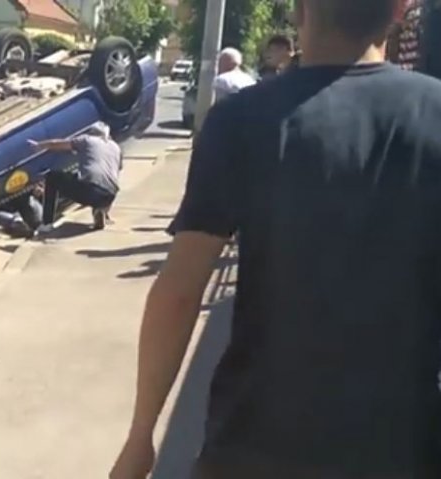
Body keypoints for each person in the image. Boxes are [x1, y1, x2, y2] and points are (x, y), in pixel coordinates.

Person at [109, 0, 441, 477]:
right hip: (401, 450)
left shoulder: (241, 121)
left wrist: (141, 438)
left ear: (300, 9)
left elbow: (179, 293)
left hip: (252, 448)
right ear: (400, 11)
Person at [28, 122, 122, 232]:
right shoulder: (116, 147)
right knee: (94, 181)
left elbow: (59, 144)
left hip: (91, 190)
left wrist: (40, 145)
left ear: (91, 133)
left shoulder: (87, 140)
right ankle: (101, 209)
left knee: (52, 177)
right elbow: (114, 173)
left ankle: (47, 224)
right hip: (110, 195)